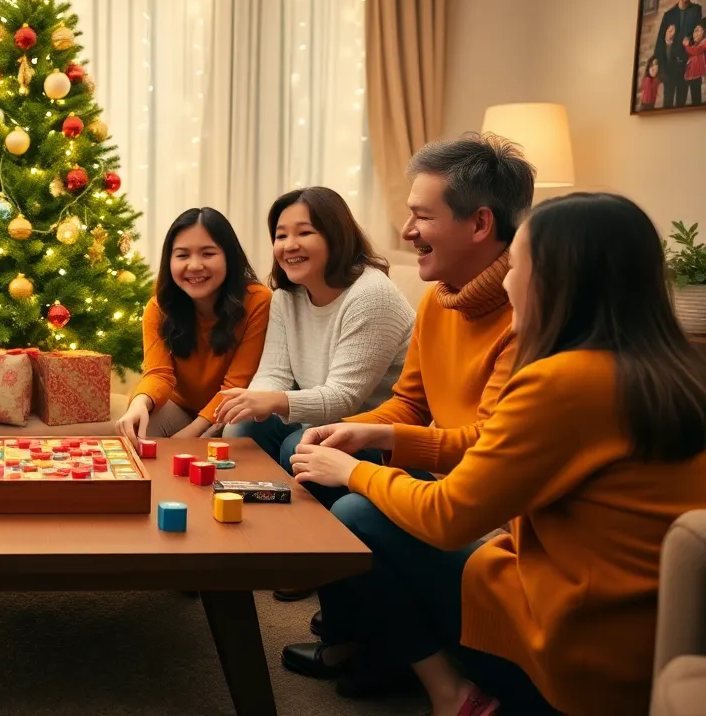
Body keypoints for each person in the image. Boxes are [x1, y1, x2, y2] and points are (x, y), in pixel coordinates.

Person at [291, 192, 706, 716]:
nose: (507, 281)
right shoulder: (669, 369)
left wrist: (351, 472)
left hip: (574, 651)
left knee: (357, 511)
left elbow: (448, 518)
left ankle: (454, 695)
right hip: (641, 639)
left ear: (558, 280)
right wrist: (386, 438)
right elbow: (498, 449)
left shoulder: (565, 381)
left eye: (520, 266)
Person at [279, 133, 534, 695]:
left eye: (422, 216)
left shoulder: (529, 317)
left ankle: (432, 670)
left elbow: (489, 444)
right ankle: (361, 635)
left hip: (483, 507)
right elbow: (414, 403)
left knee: (355, 508)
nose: (405, 232)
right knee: (302, 449)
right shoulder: (441, 298)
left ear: (480, 224)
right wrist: (359, 430)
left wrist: (373, 444)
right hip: (448, 479)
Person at [215, 186, 414, 495]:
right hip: (325, 421)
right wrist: (251, 402)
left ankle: (310, 534)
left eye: (304, 233)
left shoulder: (372, 296)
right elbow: (274, 373)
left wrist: (275, 401)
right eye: (281, 236)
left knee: (300, 447)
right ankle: (253, 512)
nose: (289, 245)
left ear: (336, 236)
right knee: (245, 426)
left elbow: (344, 398)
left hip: (375, 433)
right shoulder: (285, 297)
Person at [116, 207, 271, 443]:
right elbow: (158, 374)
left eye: (208, 254)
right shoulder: (159, 307)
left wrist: (185, 437)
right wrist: (139, 402)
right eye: (182, 255)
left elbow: (236, 385)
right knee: (141, 427)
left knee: (226, 432)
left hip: (229, 413)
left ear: (229, 257)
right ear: (169, 261)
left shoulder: (258, 301)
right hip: (179, 408)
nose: (195, 265)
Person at [656, 0, 702, 108]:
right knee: (667, 105)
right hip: (670, 69)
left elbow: (699, 37)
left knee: (681, 106)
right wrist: (662, 73)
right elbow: (659, 44)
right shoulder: (668, 15)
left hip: (686, 68)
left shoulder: (696, 10)